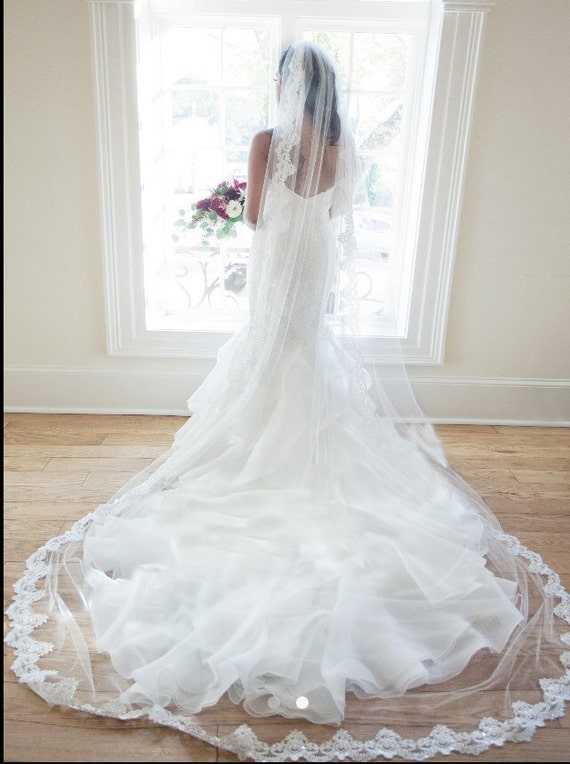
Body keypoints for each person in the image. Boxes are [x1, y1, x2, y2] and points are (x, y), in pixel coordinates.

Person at [5, 41, 568, 762]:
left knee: (269, 356)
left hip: (279, 263)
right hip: (315, 265)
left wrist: (236, 195)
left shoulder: (268, 140)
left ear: (286, 87)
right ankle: (300, 446)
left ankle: (257, 453)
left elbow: (254, 218)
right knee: (307, 353)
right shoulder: (344, 146)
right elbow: (338, 216)